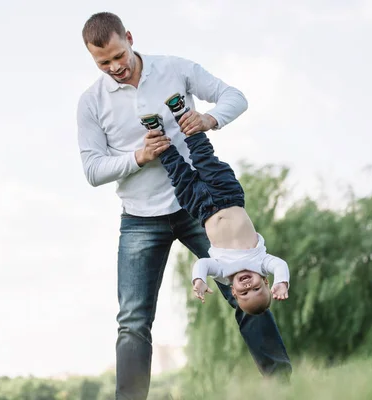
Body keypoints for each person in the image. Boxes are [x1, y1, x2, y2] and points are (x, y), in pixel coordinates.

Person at [77, 11, 292, 400]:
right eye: (103, 62)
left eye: (118, 55)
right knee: (132, 320)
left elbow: (235, 97)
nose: (115, 67)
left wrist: (209, 119)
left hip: (201, 210)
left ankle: (283, 386)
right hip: (140, 219)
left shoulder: (175, 69)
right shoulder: (91, 102)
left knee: (242, 296)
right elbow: (92, 169)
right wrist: (139, 156)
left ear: (128, 37)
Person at [139, 94, 290, 315]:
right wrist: (283, 282)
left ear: (234, 293)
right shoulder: (261, 263)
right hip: (227, 195)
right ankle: (181, 112)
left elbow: (202, 264)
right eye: (257, 288)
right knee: (203, 155)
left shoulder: (221, 272)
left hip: (200, 208)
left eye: (245, 293)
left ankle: (156, 131)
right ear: (265, 281)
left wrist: (199, 279)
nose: (248, 287)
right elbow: (280, 265)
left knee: (176, 170)